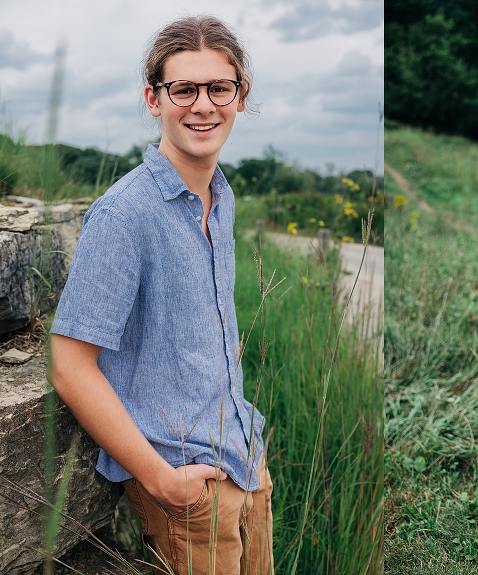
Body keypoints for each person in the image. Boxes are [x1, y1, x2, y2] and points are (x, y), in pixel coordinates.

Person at [49, 16, 273, 574]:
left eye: (219, 87)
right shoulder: (125, 214)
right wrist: (163, 481)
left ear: (239, 96)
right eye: (184, 89)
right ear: (154, 99)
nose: (203, 104)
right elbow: (69, 365)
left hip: (244, 460)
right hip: (186, 489)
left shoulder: (220, 197)